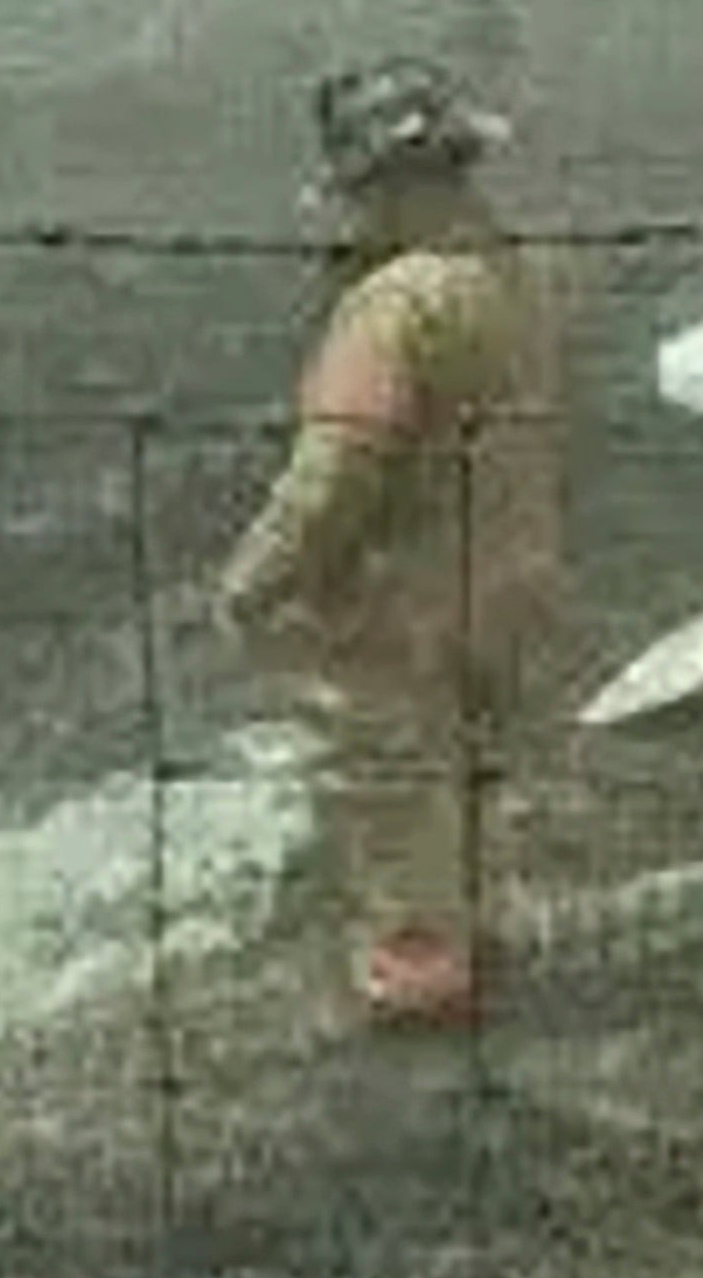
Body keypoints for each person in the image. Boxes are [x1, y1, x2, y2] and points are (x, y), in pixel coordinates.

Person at [211, 57, 571, 1029]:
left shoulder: (394, 306)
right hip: (510, 569)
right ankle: (483, 932)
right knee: (474, 768)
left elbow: (336, 472)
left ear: (384, 186)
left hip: (404, 601)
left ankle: (418, 990)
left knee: (387, 787)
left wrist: (254, 579)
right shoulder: (515, 270)